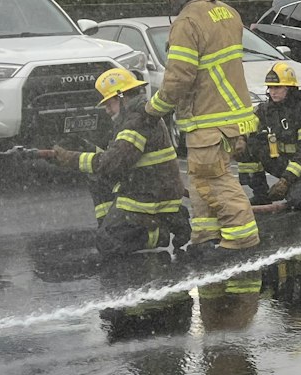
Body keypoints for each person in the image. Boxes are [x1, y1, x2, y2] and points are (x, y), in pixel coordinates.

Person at [142, 0, 260, 251]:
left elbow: (179, 78)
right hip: (231, 116)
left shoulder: (188, 21)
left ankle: (240, 240)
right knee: (200, 181)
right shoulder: (227, 12)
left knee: (215, 182)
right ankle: (206, 237)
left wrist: (153, 109)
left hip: (209, 118)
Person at [38, 65, 191, 258]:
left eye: (108, 103)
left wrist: (69, 158)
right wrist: (81, 150)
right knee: (96, 179)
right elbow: (116, 157)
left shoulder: (136, 121)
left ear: (120, 97)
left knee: (107, 243)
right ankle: (114, 226)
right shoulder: (136, 115)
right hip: (148, 189)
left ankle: (160, 232)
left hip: (149, 197)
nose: (107, 110)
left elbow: (112, 164)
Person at [244, 60, 301, 211]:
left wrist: (285, 181)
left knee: (298, 200)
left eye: (278, 87)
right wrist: (239, 139)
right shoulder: (265, 110)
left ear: (290, 88)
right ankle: (260, 194)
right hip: (283, 160)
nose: (273, 92)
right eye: (270, 87)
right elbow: (246, 125)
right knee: (247, 146)